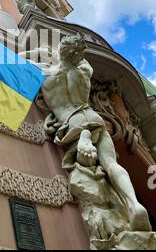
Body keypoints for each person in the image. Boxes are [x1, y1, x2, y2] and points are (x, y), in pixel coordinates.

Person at [21, 35, 151, 232]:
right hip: (91, 116)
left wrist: (39, 53)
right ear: (77, 55)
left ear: (61, 50)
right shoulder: (84, 70)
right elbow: (79, 59)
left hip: (71, 121)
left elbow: (17, 58)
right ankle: (134, 204)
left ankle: (84, 140)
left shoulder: (46, 74)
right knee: (111, 164)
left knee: (85, 170)